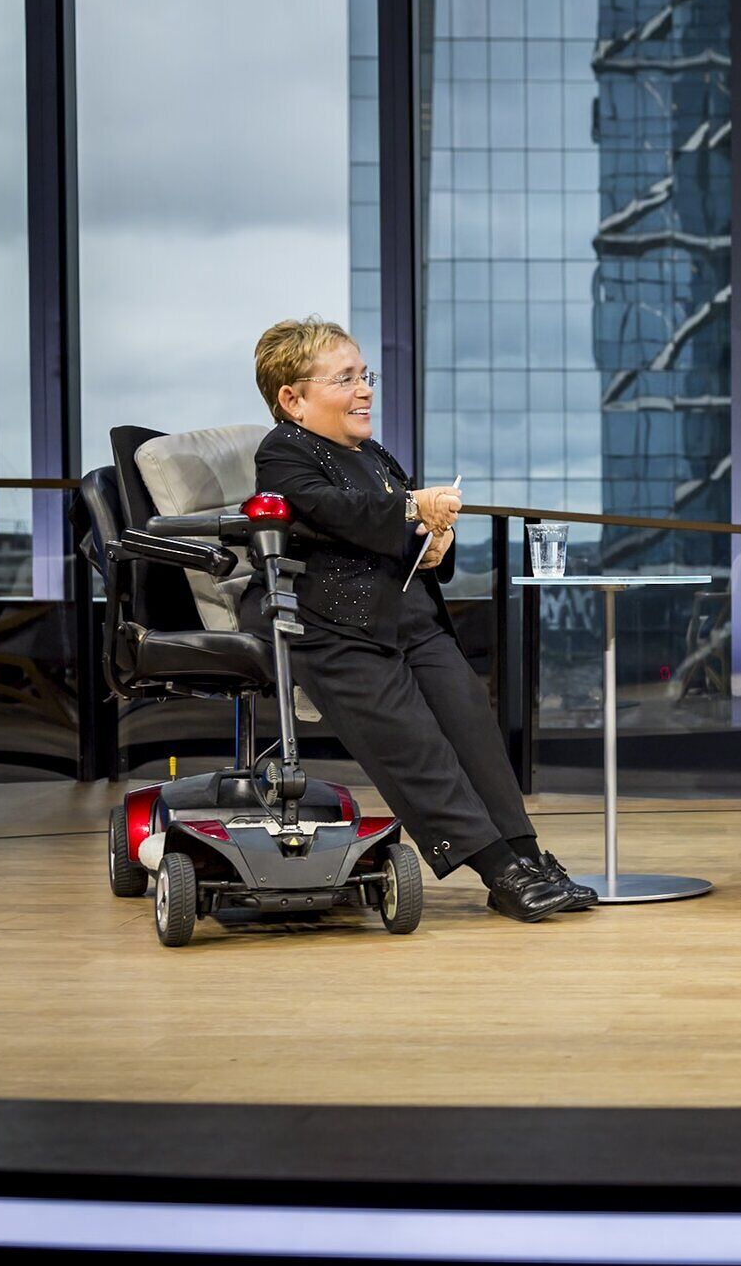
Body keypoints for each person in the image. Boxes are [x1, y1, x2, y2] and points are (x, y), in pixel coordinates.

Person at [240, 317, 588, 922]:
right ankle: (499, 870)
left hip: (409, 620)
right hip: (335, 627)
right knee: (418, 750)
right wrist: (410, 506)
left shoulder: (372, 454)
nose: (365, 389)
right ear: (292, 399)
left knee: (472, 729)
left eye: (364, 375)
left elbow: (395, 533)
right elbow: (334, 512)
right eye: (345, 379)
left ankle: (528, 856)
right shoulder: (282, 454)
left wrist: (431, 545)